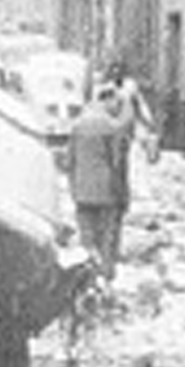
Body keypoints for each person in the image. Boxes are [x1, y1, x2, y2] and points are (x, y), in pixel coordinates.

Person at [66, 83, 132, 289]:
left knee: (87, 239)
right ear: (108, 100)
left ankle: (88, 283)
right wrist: (124, 196)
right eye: (116, 103)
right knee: (107, 240)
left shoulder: (77, 126)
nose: (116, 107)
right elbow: (117, 164)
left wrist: (74, 190)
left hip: (82, 192)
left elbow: (70, 162)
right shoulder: (112, 128)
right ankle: (106, 282)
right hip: (107, 193)